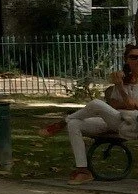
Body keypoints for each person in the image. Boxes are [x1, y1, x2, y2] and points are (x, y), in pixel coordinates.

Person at [45, 44, 138, 183]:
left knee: (96, 103)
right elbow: (112, 103)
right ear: (126, 60)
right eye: (133, 57)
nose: (137, 60)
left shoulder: (121, 84)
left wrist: (120, 88)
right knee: (74, 124)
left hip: (132, 124)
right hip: (115, 118)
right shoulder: (122, 79)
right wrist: (120, 88)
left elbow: (130, 105)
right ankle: (83, 170)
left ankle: (62, 121)